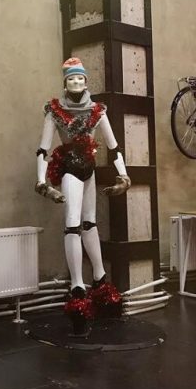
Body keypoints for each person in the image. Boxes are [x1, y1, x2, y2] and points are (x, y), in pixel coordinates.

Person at [35, 57, 131, 302]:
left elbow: (114, 146)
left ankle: (99, 276)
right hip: (70, 168)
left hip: (89, 167)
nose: (76, 82)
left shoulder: (97, 111)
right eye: (71, 78)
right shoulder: (55, 112)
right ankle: (77, 283)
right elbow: (43, 149)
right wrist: (41, 181)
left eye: (80, 78)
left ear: (86, 82)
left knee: (90, 224)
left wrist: (123, 175)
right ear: (65, 83)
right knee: (73, 224)